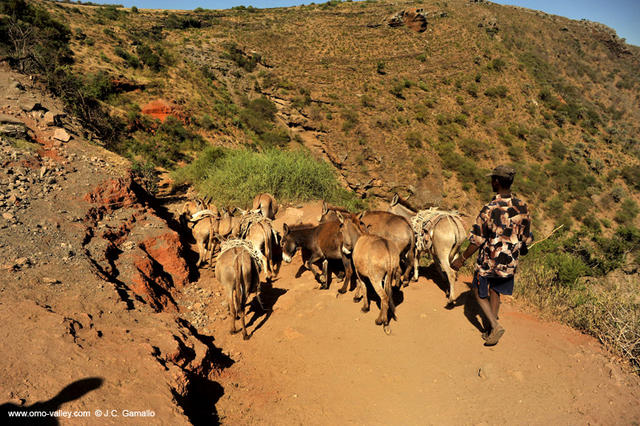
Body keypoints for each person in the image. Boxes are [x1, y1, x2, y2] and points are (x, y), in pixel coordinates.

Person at [451, 165, 533, 346]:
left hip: (490, 261)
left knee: (478, 291)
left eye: (492, 179)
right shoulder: (522, 206)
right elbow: (526, 237)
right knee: (495, 291)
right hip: (510, 261)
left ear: (496, 181)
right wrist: (523, 247)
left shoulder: (490, 208)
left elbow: (477, 239)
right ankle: (489, 330)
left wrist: (462, 259)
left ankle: (495, 325)